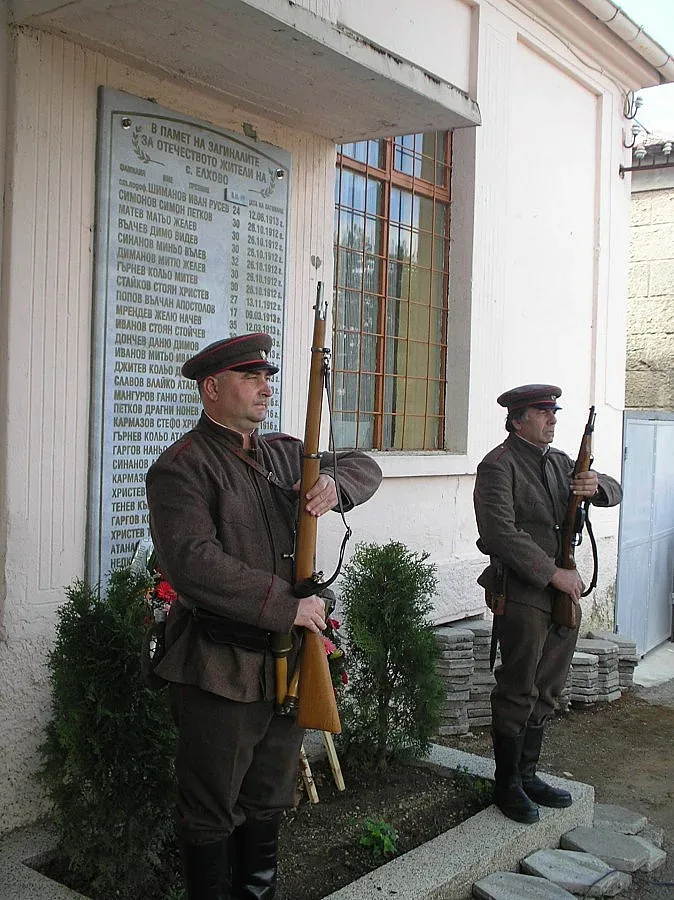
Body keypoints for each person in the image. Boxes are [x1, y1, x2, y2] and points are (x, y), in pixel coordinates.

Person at [145, 332, 382, 899]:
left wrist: (333, 484)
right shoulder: (182, 468)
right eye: (251, 378)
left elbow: (363, 464)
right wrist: (286, 604)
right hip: (220, 665)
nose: (265, 388)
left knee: (270, 792)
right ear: (211, 389)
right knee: (211, 807)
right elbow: (193, 564)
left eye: (267, 378)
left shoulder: (281, 451)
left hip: (287, 663)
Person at [473, 384, 622, 825]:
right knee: (519, 685)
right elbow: (500, 532)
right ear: (518, 419)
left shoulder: (560, 464)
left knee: (549, 685)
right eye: (543, 412)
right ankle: (507, 785)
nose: (553, 418)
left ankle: (528, 773)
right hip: (523, 591)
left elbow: (612, 490)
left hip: (563, 590)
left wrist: (595, 486)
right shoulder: (497, 466)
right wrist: (552, 573)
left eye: (554, 411)